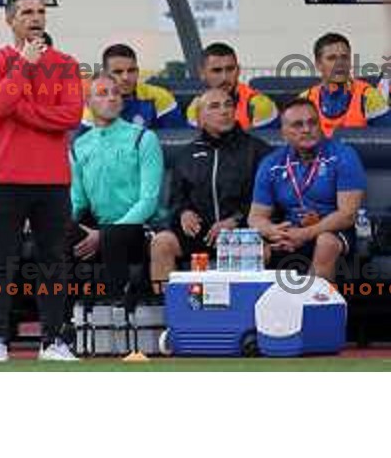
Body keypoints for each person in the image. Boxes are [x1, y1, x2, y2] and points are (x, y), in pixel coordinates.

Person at [0, 0, 83, 363]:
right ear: (9, 19)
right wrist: (24, 64)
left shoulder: (67, 64)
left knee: (53, 261)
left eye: (40, 11)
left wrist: (22, 111)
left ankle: (52, 340)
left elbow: (70, 116)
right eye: (26, 13)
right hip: (5, 178)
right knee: (1, 261)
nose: (35, 18)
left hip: (53, 180)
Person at [151, 88, 271, 288]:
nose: (224, 111)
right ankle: (168, 309)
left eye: (228, 105)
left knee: (261, 250)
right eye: (214, 107)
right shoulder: (187, 154)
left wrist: (235, 220)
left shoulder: (257, 150)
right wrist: (184, 212)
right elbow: (177, 198)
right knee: (161, 243)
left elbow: (265, 200)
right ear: (200, 118)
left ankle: (244, 313)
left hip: (241, 232)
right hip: (199, 235)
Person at [69, 73, 164, 307]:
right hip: (98, 226)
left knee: (113, 237)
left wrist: (105, 234)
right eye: (102, 94)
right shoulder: (79, 145)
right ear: (87, 103)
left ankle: (114, 309)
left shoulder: (143, 138)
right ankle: (63, 324)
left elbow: (148, 200)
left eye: (116, 94)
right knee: (54, 237)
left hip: (140, 227)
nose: (111, 98)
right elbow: (77, 201)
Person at [248, 98, 366, 282]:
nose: (306, 129)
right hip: (291, 231)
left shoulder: (342, 155)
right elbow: (255, 218)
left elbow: (347, 215)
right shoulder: (271, 163)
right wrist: (274, 231)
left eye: (312, 122)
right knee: (254, 248)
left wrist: (304, 234)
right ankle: (260, 308)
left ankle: (315, 306)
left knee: (325, 243)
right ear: (284, 133)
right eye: (297, 125)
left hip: (333, 230)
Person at [301, 32, 391, 137]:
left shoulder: (369, 96)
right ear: (318, 64)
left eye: (344, 57)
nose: (340, 63)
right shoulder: (305, 99)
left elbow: (385, 144)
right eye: (331, 58)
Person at [81, 44, 185, 129]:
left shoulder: (159, 96)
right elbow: (82, 147)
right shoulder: (95, 104)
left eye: (131, 71)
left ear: (138, 71)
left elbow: (180, 140)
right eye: (118, 72)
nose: (126, 77)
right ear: (104, 74)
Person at [186, 42, 279, 130]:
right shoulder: (195, 108)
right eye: (216, 71)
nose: (224, 77)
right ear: (202, 73)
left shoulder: (260, 106)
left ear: (238, 70)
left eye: (230, 69)